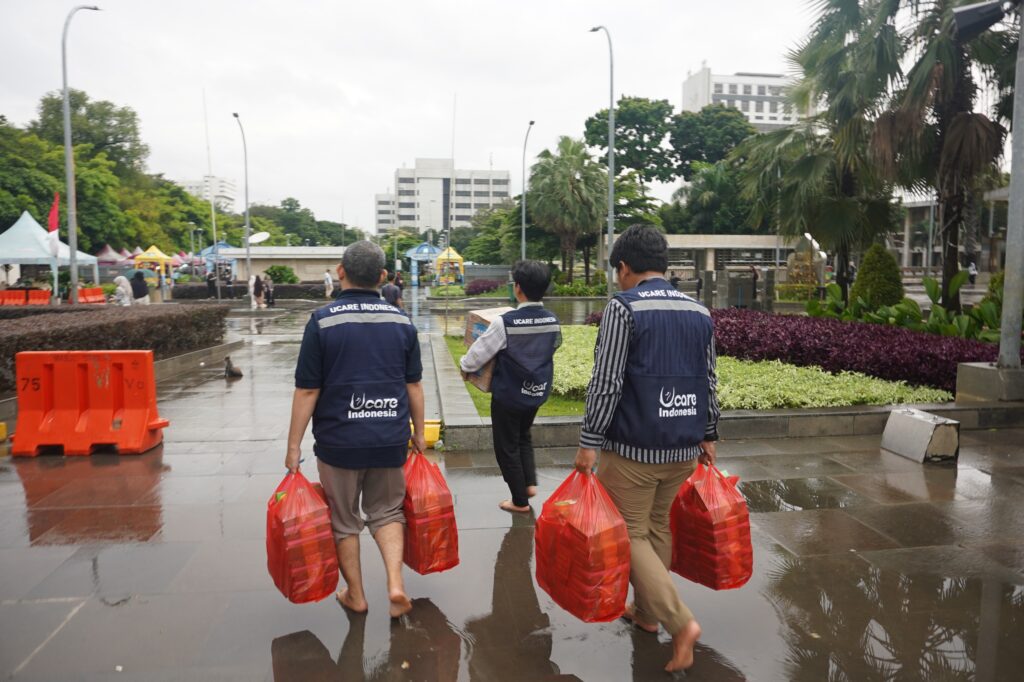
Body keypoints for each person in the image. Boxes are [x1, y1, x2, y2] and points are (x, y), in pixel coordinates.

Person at [573, 225, 720, 673]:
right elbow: (709, 378)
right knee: (656, 526)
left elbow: (607, 383)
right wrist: (709, 433)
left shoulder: (623, 308)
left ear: (624, 267)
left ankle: (679, 622)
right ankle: (647, 614)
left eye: (615, 271)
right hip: (682, 445)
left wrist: (589, 442)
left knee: (629, 533)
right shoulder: (698, 310)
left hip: (633, 447)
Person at [286, 240, 426, 619]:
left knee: (344, 519)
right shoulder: (402, 322)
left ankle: (357, 595)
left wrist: (294, 445)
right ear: (382, 277)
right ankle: (395, 584)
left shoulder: (322, 321)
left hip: (338, 443)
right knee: (388, 511)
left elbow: (308, 389)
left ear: (341, 272)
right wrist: (419, 433)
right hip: (389, 438)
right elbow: (413, 384)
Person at [460, 261, 561, 513]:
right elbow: (553, 345)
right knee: (523, 435)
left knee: (506, 446)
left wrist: (464, 364)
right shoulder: (552, 319)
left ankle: (519, 501)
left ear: (517, 288)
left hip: (509, 395)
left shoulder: (505, 322)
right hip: (536, 392)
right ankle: (528, 484)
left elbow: (477, 355)